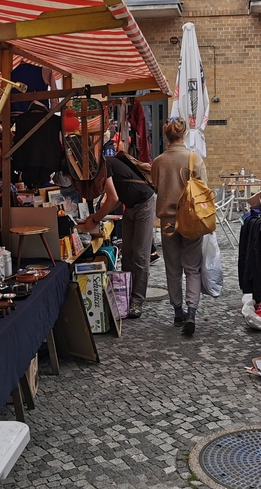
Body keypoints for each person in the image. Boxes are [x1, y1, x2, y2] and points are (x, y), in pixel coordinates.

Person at [78, 152, 156, 319]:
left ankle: (137, 300)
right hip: (131, 206)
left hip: (144, 202)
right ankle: (126, 293)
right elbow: (119, 195)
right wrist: (97, 215)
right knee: (126, 253)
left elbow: (113, 198)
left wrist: (96, 218)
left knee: (140, 255)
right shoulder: (106, 164)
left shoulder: (105, 165)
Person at [151, 117, 207, 335]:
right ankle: (192, 312)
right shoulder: (195, 158)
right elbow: (204, 190)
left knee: (173, 269)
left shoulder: (158, 161)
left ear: (167, 136)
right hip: (192, 220)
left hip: (168, 222)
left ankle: (178, 312)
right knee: (192, 268)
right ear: (183, 135)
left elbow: (156, 186)